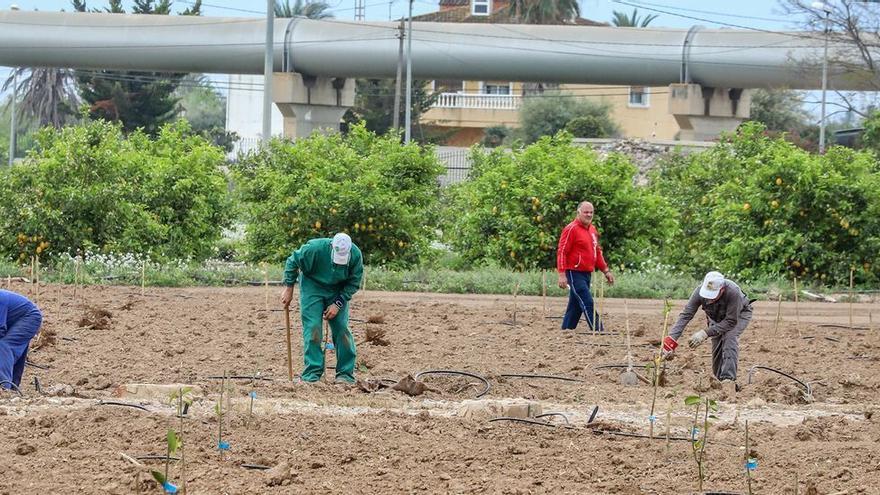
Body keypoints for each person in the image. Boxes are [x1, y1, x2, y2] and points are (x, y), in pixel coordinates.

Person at [280, 233, 363, 384]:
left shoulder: (355, 255)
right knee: (313, 328)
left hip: (338, 290)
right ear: (331, 247)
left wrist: (338, 303)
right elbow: (292, 261)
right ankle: (312, 374)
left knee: (341, 329)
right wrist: (289, 287)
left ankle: (345, 374)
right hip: (313, 287)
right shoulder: (314, 249)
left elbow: (354, 282)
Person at [662, 271, 753, 395]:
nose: (709, 300)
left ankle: (728, 380)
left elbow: (731, 321)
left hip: (738, 315)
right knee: (716, 345)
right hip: (716, 316)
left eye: (713, 296)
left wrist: (705, 333)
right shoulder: (699, 292)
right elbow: (686, 315)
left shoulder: (733, 292)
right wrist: (670, 342)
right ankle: (718, 379)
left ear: (721, 290)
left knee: (729, 337)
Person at [556, 201, 614, 331]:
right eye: (586, 212)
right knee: (587, 302)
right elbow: (562, 251)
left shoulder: (592, 230)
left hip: (587, 273)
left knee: (575, 305)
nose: (589, 215)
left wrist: (606, 270)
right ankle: (598, 330)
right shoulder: (571, 229)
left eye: (591, 212)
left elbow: (597, 252)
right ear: (578, 213)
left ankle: (566, 330)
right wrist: (561, 274)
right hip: (574, 272)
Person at [0, 289, 43, 391]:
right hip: (16, 319)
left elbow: (0, 329)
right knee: (13, 350)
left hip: (30, 317)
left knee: (4, 346)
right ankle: (14, 387)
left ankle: (3, 387)